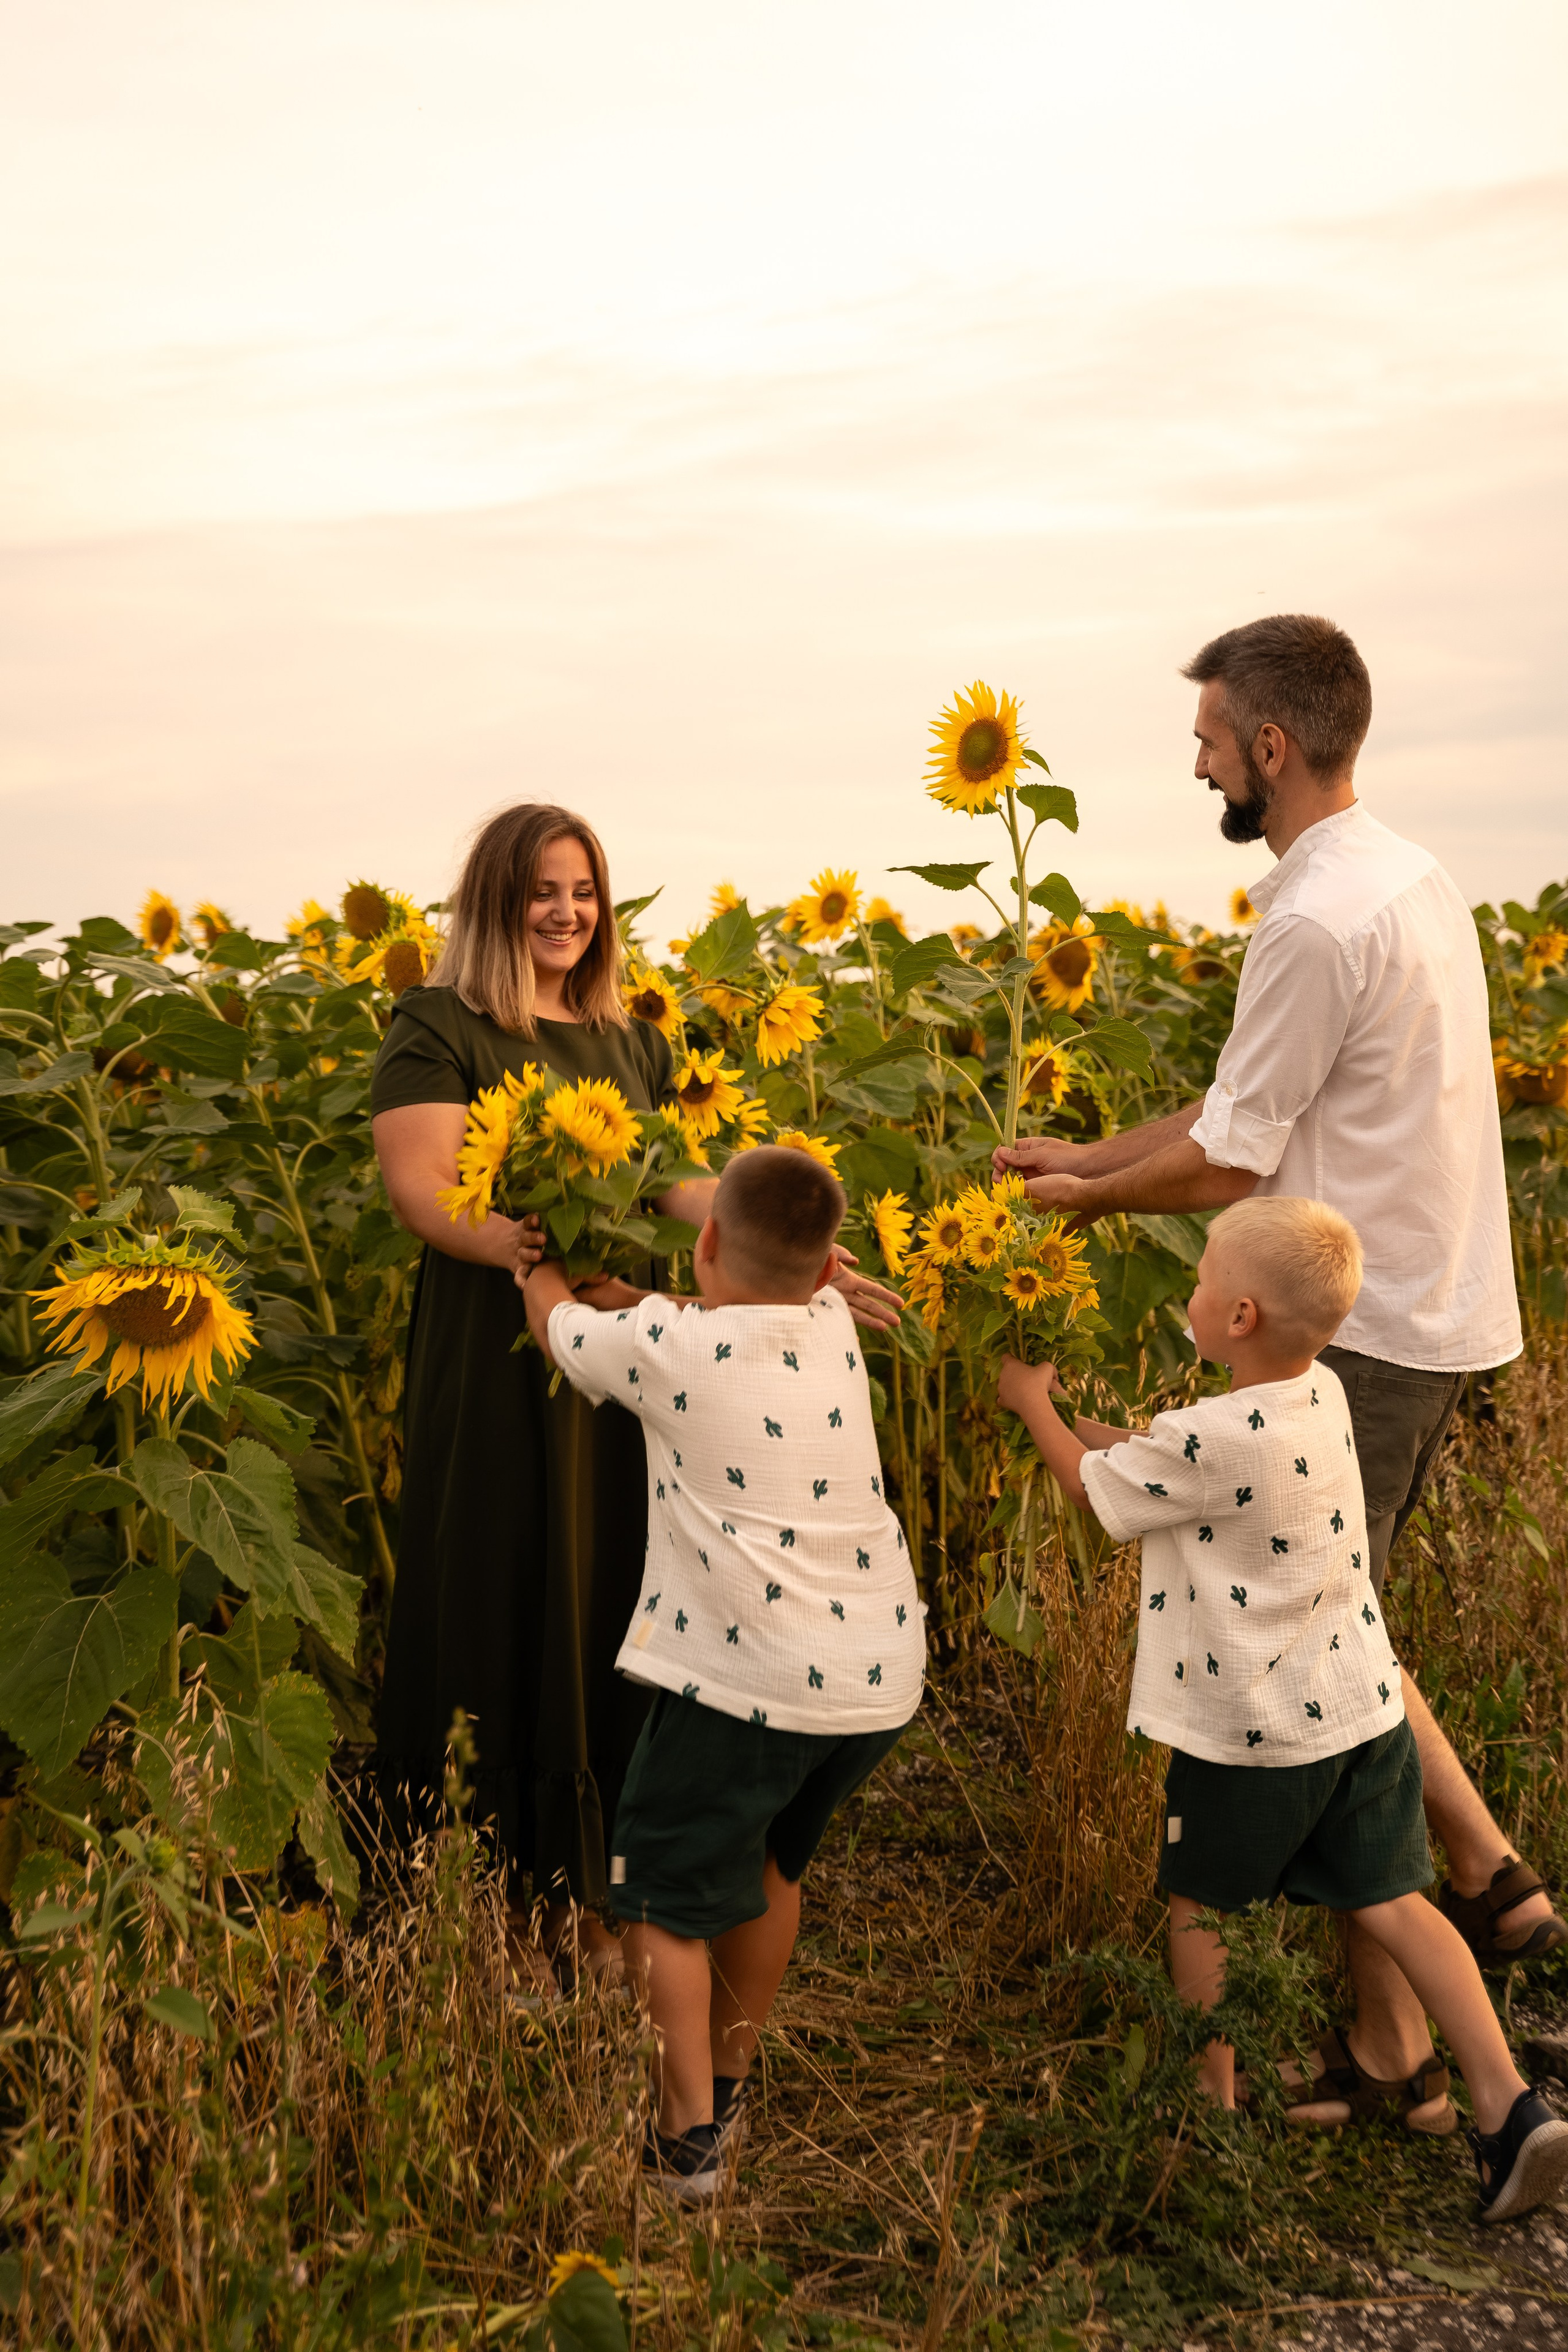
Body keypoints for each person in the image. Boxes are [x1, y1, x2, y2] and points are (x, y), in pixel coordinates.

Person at [995, 613, 1563, 2129]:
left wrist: (1083, 1202)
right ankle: (1436, 1975)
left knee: (1324, 1671)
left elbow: (1231, 1160)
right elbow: (1242, 1102)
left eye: (1205, 744)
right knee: (1343, 1629)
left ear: (1269, 744)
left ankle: (1464, 1926)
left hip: (1355, 1323)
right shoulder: (1400, 875)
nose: (1197, 769)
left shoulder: (1315, 917)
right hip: (1422, 1300)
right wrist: (1090, 1152)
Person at [372, 806, 900, 1983]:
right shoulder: (437, 1026)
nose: (567, 913)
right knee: (507, 1582)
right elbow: (427, 1194)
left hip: (623, 1346)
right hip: (504, 1343)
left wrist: (790, 1245)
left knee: (618, 1580)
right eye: (542, 892)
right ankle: (502, 1903)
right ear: (496, 902)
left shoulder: (626, 1042)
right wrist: (544, 1266)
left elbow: (672, 1179)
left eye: (585, 891)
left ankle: (601, 1893)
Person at [1000, 1196, 1568, 2221]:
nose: (1193, 1286)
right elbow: (1161, 1465)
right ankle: (1508, 2103)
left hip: (1253, 1734)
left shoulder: (1210, 1436)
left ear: (1240, 1318)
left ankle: (1204, 2121)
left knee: (1203, 1908)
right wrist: (1091, 1426)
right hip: (1363, 1709)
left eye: (1205, 1276)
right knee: (1399, 1902)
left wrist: (1031, 1404)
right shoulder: (1320, 1399)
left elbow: (1099, 1494)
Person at [522, 1145, 925, 2200]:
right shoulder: (832, 1322)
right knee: (767, 1870)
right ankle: (732, 2080)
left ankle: (684, 2139)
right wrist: (634, 1294)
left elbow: (566, 1333)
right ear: (826, 1262)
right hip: (876, 1670)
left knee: (656, 1894)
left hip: (753, 1678)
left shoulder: (666, 1343)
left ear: (704, 1241)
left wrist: (534, 1267)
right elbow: (696, 1310)